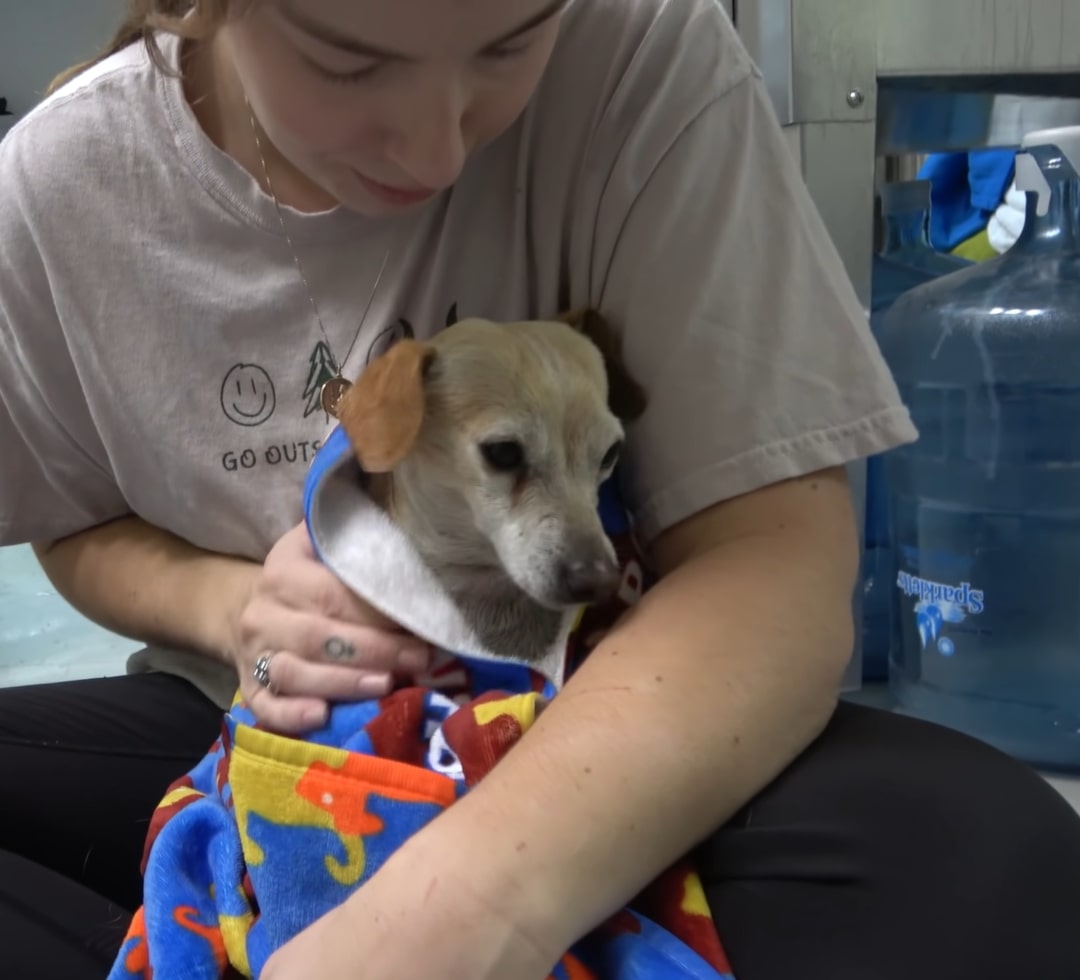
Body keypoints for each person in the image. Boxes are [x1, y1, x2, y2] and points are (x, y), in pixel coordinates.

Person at [2, 1, 1080, 977]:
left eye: (514, 41)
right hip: (241, 721)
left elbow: (773, 561)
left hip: (593, 709)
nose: (438, 149)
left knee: (991, 850)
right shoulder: (59, 184)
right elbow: (74, 523)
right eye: (348, 60)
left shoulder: (646, 53)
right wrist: (229, 608)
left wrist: (465, 915)